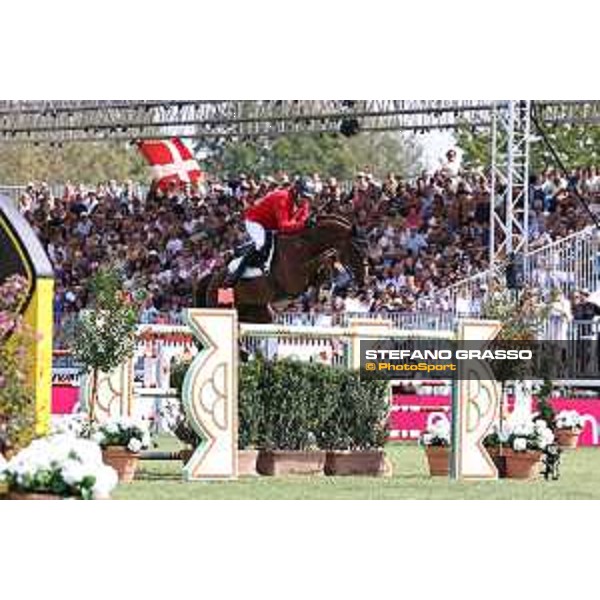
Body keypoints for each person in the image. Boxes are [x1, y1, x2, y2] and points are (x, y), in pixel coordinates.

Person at [224, 177, 315, 286]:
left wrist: (307, 225)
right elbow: (284, 226)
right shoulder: (282, 197)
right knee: (262, 244)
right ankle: (235, 274)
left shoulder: (304, 205)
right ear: (295, 191)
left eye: (308, 198)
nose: (305, 201)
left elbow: (299, 225)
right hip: (256, 221)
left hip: (272, 226)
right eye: (303, 197)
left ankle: (238, 250)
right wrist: (304, 224)